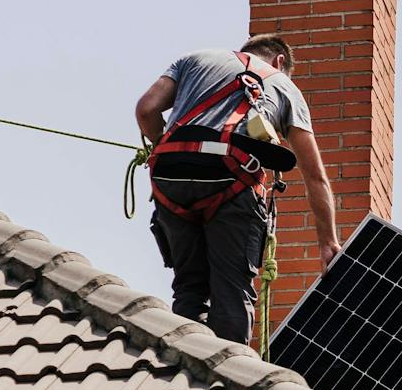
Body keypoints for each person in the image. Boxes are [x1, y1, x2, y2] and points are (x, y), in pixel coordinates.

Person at [134, 35, 339, 344]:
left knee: (189, 289)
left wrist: (166, 147)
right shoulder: (284, 86)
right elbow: (315, 176)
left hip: (169, 182)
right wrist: (327, 241)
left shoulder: (194, 59)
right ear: (279, 62)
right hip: (232, 182)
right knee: (232, 292)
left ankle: (183, 368)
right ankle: (227, 379)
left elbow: (146, 110)